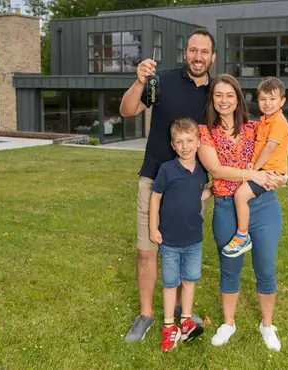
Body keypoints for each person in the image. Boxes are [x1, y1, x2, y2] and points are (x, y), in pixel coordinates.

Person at [119, 28, 216, 343]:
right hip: (155, 181)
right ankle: (147, 315)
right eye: (193, 50)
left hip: (192, 187)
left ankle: (182, 314)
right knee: (147, 251)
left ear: (212, 57)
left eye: (204, 51)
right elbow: (127, 110)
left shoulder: (216, 93)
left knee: (184, 249)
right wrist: (139, 81)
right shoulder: (162, 80)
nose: (198, 56)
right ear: (185, 52)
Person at [197, 74, 288, 351]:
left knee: (266, 269)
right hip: (226, 206)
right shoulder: (205, 132)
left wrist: (283, 178)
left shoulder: (255, 127)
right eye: (218, 95)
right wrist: (254, 174)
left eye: (230, 95)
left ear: (238, 99)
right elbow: (216, 170)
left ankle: (267, 325)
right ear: (212, 99)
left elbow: (278, 154)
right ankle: (228, 323)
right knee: (229, 269)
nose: (224, 101)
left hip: (263, 207)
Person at [149, 118, 212, 352]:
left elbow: (198, 195)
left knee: (189, 280)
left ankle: (186, 320)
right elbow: (156, 196)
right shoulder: (167, 169)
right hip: (169, 240)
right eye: (179, 142)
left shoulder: (201, 171)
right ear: (173, 146)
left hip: (193, 239)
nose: (185, 146)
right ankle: (169, 327)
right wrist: (152, 228)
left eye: (189, 141)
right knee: (170, 283)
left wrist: (214, 190)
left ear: (198, 142)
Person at [222, 77, 288, 258]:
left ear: (282, 101)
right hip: (264, 169)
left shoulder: (278, 122)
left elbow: (270, 148)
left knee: (241, 195)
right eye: (262, 99)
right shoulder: (263, 122)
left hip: (269, 172)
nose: (267, 103)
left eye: (272, 99)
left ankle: (242, 236)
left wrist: (255, 169)